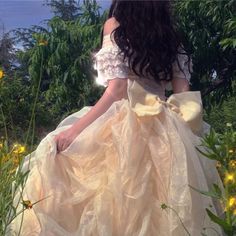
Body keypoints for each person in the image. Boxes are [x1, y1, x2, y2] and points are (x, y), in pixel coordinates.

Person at [7, 0, 224, 235]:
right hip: (168, 126)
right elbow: (183, 94)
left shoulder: (115, 26)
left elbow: (118, 89)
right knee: (171, 199)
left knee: (110, 198)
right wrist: (194, 138)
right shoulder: (171, 37)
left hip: (123, 121)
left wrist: (74, 130)